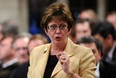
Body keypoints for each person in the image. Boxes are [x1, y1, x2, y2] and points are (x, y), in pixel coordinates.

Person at [28, 2, 96, 78]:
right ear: (46, 30)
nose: (57, 31)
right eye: (53, 27)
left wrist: (69, 72)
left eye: (62, 26)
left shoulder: (85, 54)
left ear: (69, 29)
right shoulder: (36, 52)